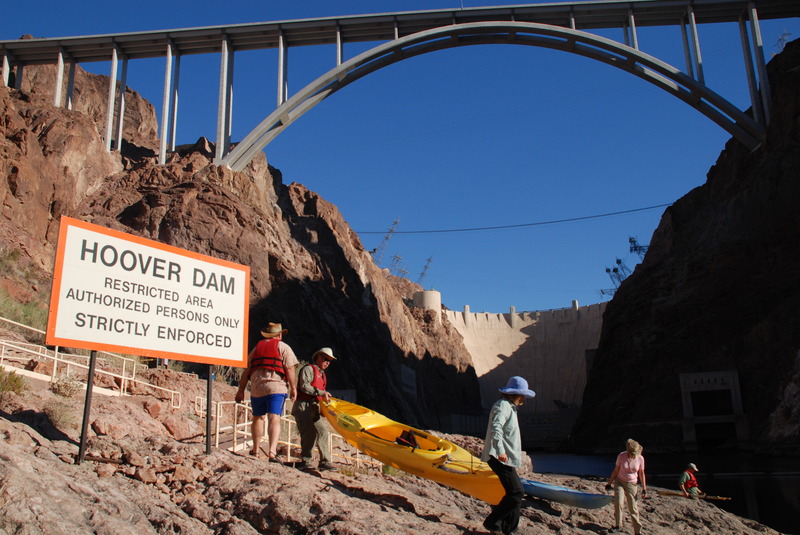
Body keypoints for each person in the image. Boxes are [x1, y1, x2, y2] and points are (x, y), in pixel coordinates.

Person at [235, 322, 298, 463]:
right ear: (279, 335)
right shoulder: (283, 347)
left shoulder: (257, 348)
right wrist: (293, 388)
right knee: (274, 417)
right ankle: (271, 452)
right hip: (276, 387)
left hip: (257, 387)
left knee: (257, 417)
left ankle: (256, 451)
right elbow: (290, 369)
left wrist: (240, 391)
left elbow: (247, 371)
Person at [481, 376, 536, 535]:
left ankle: (508, 528)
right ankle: (492, 523)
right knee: (516, 492)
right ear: (515, 394)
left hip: (504, 457)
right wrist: (501, 451)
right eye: (522, 395)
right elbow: (496, 428)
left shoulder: (509, 407)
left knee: (515, 492)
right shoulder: (503, 406)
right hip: (498, 457)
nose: (523, 398)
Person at [292, 347, 338, 472]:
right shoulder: (308, 369)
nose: (328, 362)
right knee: (309, 433)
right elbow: (304, 386)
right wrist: (321, 393)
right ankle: (306, 461)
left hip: (313, 408)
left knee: (323, 432)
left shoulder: (322, 374)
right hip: (303, 407)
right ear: (319, 357)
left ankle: (325, 462)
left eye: (330, 360)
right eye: (326, 359)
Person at [605, 438, 647, 535]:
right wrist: (609, 483)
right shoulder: (621, 456)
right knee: (618, 503)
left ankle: (637, 531)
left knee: (633, 507)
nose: (633, 455)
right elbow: (616, 470)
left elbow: (641, 473)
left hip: (632, 484)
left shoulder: (640, 458)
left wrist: (644, 488)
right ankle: (618, 525)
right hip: (619, 481)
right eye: (632, 453)